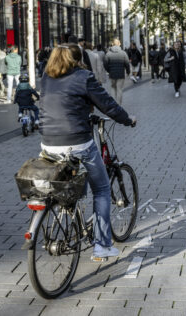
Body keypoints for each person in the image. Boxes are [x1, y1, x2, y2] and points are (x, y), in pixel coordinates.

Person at [39, 43, 136, 262]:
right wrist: (127, 119)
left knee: (67, 182)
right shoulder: (83, 76)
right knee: (101, 189)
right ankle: (101, 246)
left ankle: (69, 211)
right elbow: (107, 105)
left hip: (48, 143)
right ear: (77, 59)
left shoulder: (47, 77)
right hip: (76, 141)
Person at [104, 39, 130, 105]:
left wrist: (109, 70)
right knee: (119, 89)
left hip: (112, 74)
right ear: (119, 44)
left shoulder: (108, 53)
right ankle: (119, 104)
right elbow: (127, 63)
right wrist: (128, 71)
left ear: (112, 44)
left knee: (113, 87)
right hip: (121, 74)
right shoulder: (123, 53)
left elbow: (105, 64)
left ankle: (113, 103)